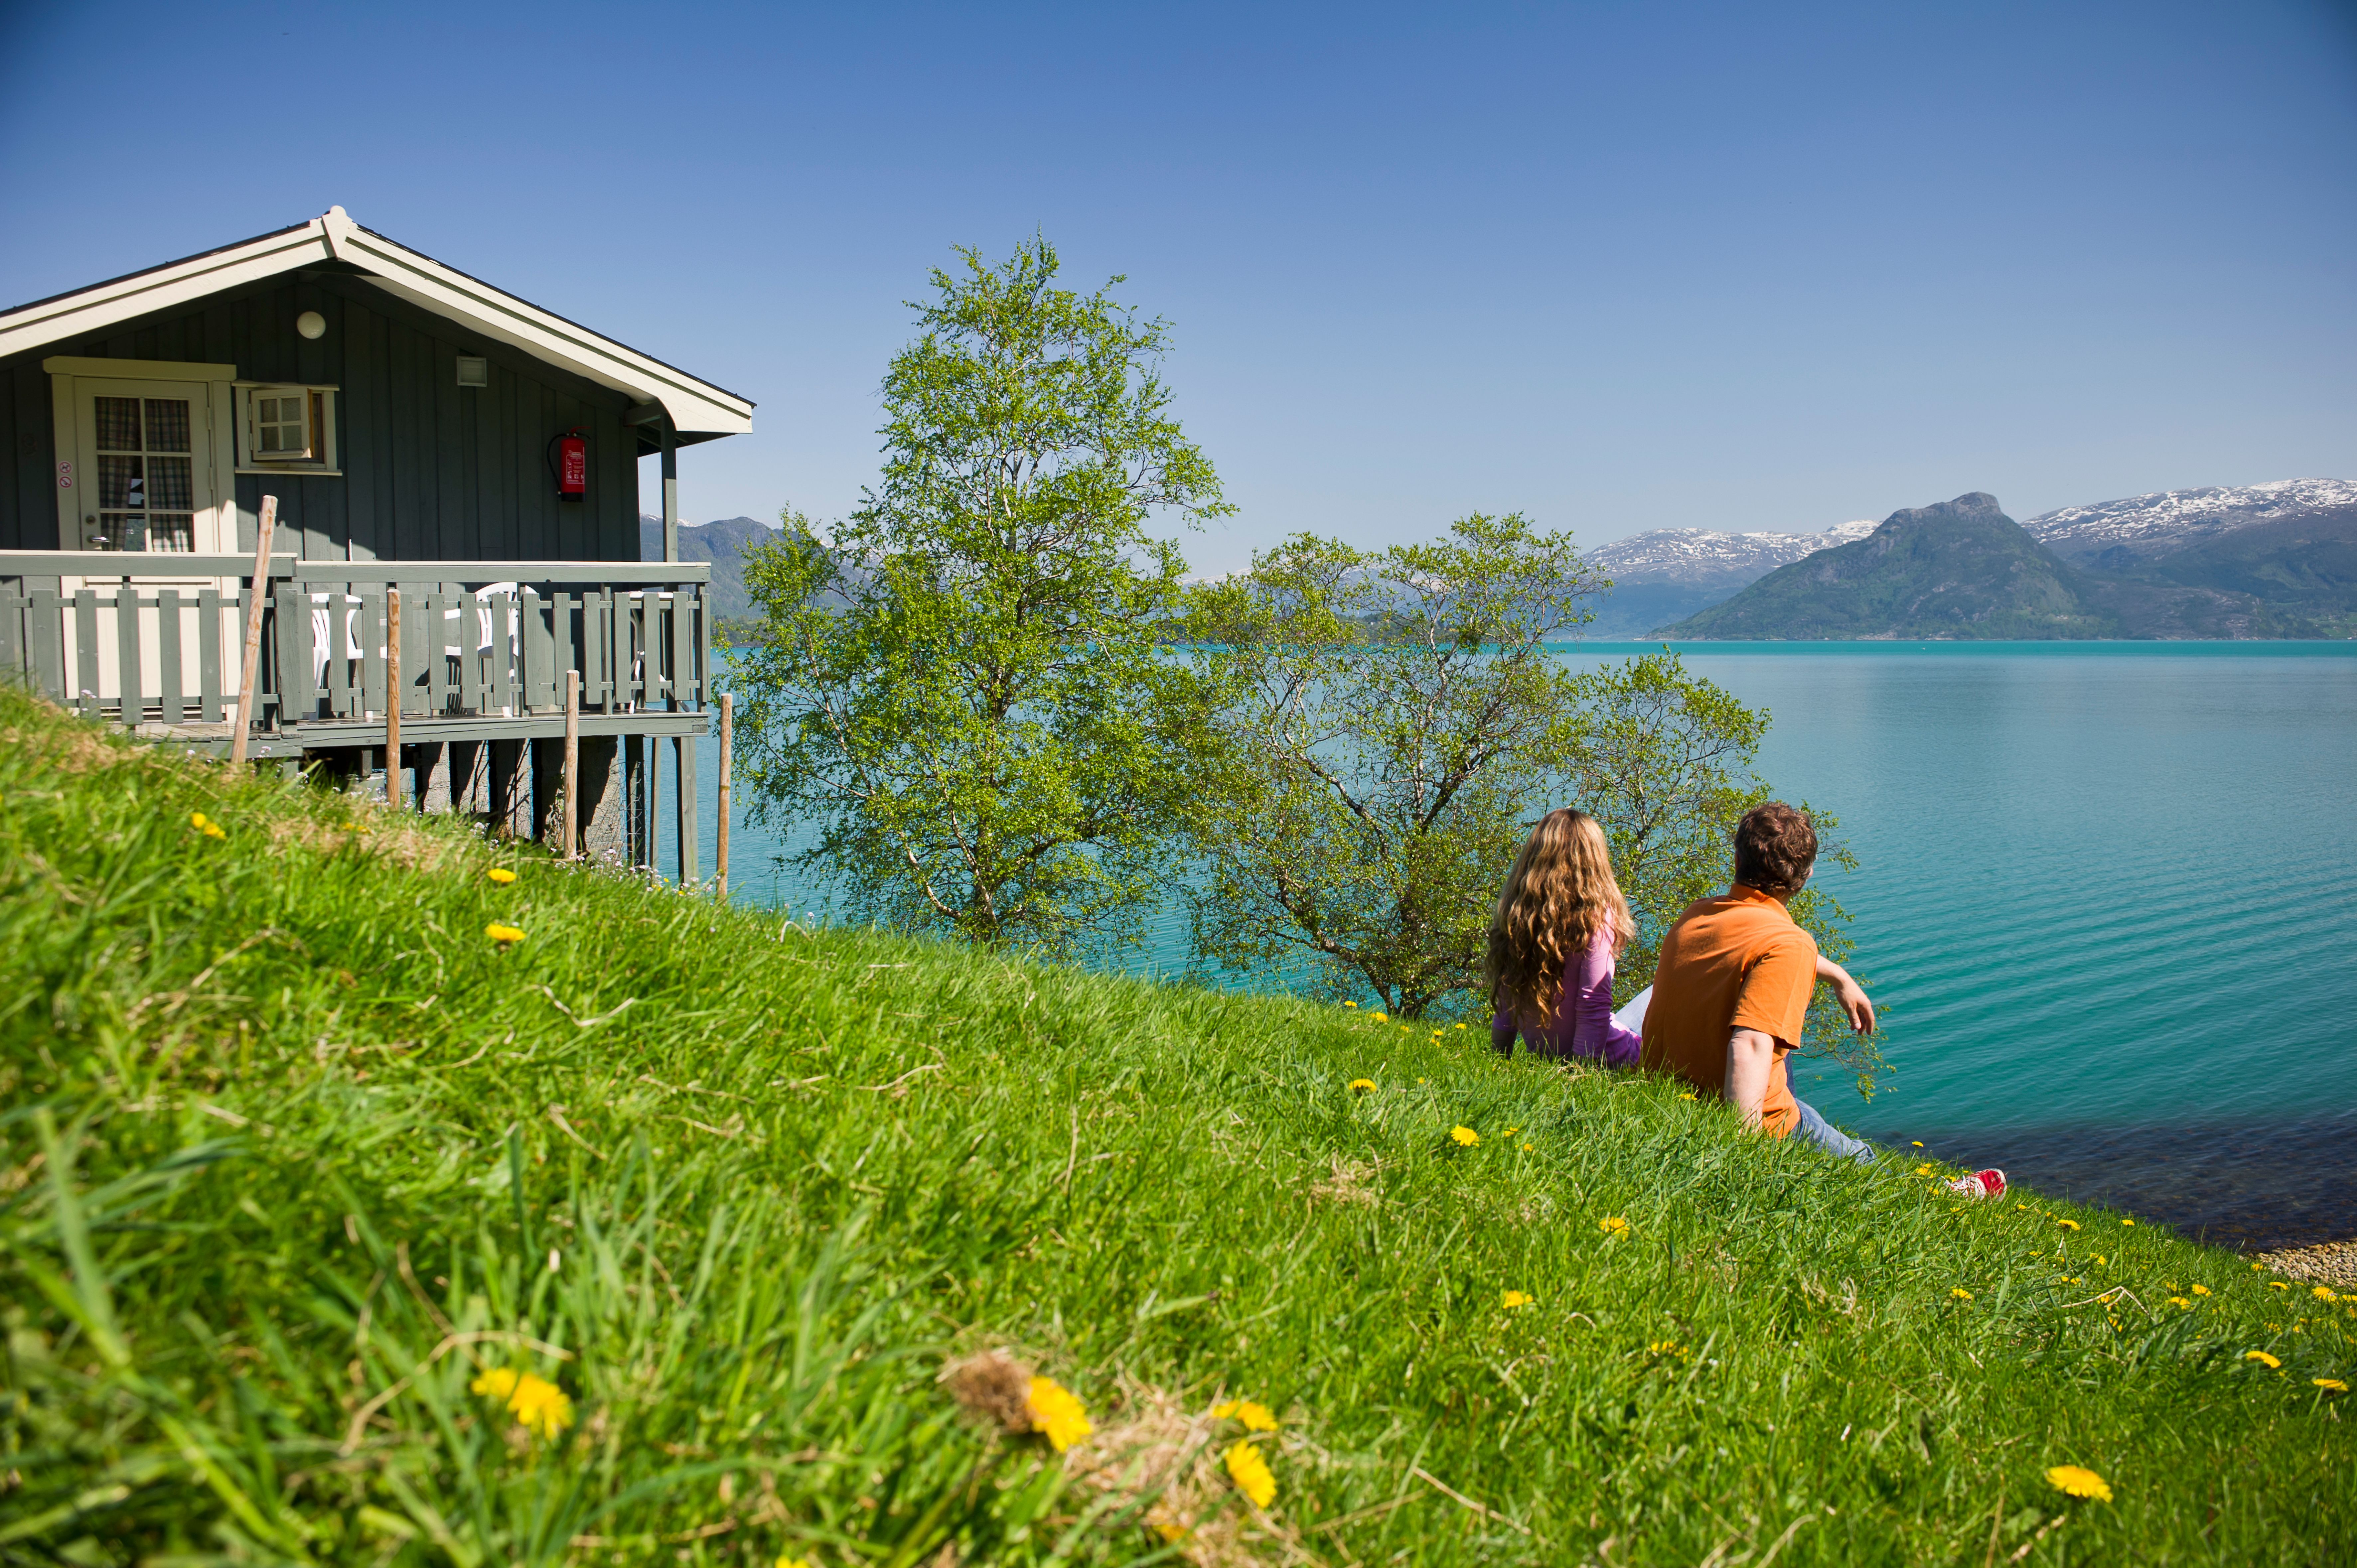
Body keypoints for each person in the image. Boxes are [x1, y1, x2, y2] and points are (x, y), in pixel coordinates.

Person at [1641, 801, 2005, 1197]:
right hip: (1749, 1120)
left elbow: (1754, 949)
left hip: (1670, 1096)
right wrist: (1738, 1154)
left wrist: (1838, 975)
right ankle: (1940, 1196)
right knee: (1860, 1163)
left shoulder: (1697, 915)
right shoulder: (1789, 944)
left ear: (1736, 860)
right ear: (1806, 876)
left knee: (1790, 1081)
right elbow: (1750, 1044)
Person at [1486, 808, 1644, 1067]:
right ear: (1594, 860)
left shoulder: (1517, 914)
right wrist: (1579, 1073)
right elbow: (1593, 1001)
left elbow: (1507, 995)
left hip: (1554, 1054)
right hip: (1615, 1058)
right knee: (1662, 991)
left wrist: (1498, 1056)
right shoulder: (1595, 918)